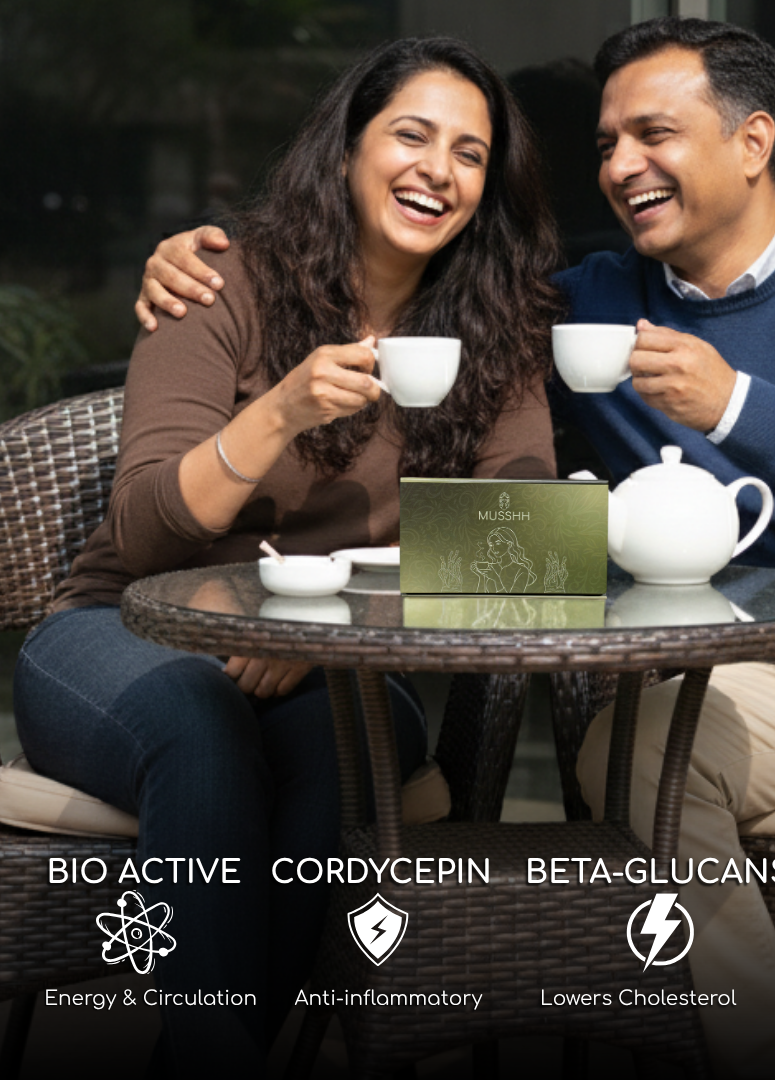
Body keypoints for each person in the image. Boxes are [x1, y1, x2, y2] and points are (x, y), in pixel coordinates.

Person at [134, 18, 775, 1080]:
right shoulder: (591, 307)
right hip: (763, 675)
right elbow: (452, 309)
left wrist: (739, 405)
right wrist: (196, 254)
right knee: (629, 756)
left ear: (753, 141)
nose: (621, 166)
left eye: (653, 135)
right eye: (608, 143)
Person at [16, 36, 561, 1079]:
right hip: (122, 632)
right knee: (201, 720)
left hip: (339, 667)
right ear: (348, 147)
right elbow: (143, 532)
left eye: (470, 154)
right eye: (411, 135)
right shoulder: (221, 278)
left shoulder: (498, 329)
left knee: (347, 750)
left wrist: (327, 634)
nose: (438, 171)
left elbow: (526, 545)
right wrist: (278, 412)